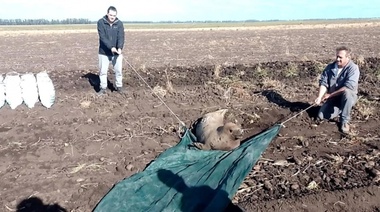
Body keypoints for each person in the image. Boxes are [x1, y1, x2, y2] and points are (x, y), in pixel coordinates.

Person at [314, 46, 360, 133]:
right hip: (333, 99)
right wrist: (320, 97)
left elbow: (348, 86)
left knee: (347, 93)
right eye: (337, 56)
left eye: (340, 57)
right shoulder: (330, 68)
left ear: (347, 57)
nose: (338, 59)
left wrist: (330, 95)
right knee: (321, 116)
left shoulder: (353, 68)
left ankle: (344, 120)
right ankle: (340, 109)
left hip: (347, 96)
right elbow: (324, 83)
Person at [97, 6, 125, 95]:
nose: (112, 17)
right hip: (104, 52)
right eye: (111, 15)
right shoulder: (101, 23)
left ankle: (119, 87)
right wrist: (111, 47)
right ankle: (103, 88)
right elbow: (103, 37)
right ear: (107, 14)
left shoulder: (119, 24)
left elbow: (121, 37)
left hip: (116, 53)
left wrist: (120, 48)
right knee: (103, 72)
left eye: (114, 15)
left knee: (118, 71)